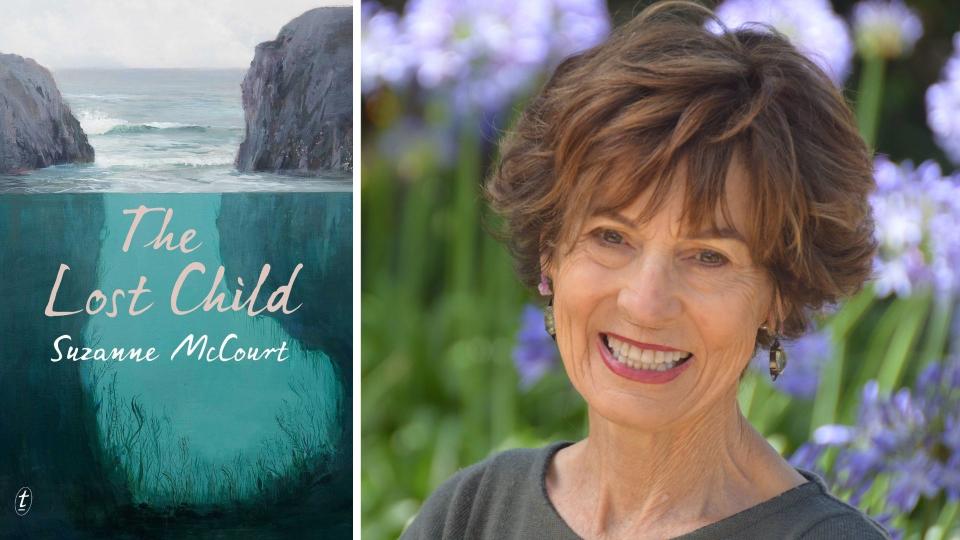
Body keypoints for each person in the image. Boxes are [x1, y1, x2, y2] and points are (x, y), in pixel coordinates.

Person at [400, 1, 889, 538]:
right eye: (611, 237)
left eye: (708, 256)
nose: (645, 302)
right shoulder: (471, 514)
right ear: (549, 254)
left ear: (780, 294)